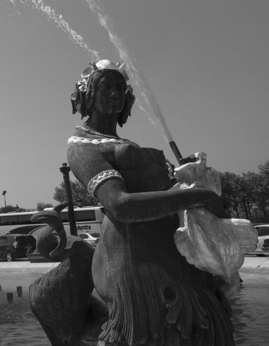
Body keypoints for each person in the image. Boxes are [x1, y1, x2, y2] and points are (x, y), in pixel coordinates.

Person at [66, 60, 234, 346]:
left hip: (170, 255)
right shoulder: (80, 146)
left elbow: (166, 191)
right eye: (106, 86)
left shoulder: (118, 141)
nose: (116, 94)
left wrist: (190, 177)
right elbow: (120, 205)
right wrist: (197, 196)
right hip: (136, 263)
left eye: (121, 88)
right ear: (88, 94)